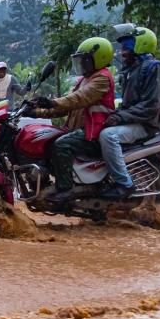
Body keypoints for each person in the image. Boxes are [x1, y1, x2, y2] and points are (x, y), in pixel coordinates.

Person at [29, 36, 116, 203]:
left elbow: (78, 99)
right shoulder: (84, 80)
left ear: (98, 59)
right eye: (80, 60)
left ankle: (66, 188)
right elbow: (65, 107)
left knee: (61, 144)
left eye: (85, 60)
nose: (82, 64)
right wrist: (36, 113)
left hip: (93, 133)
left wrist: (51, 101)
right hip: (78, 130)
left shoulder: (101, 78)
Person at [98, 24, 160, 199]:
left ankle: (124, 183)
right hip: (132, 121)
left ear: (140, 46)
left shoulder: (153, 67)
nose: (123, 53)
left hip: (145, 124)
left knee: (108, 136)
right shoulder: (130, 70)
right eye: (122, 49)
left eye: (126, 48)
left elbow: (151, 105)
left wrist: (119, 117)